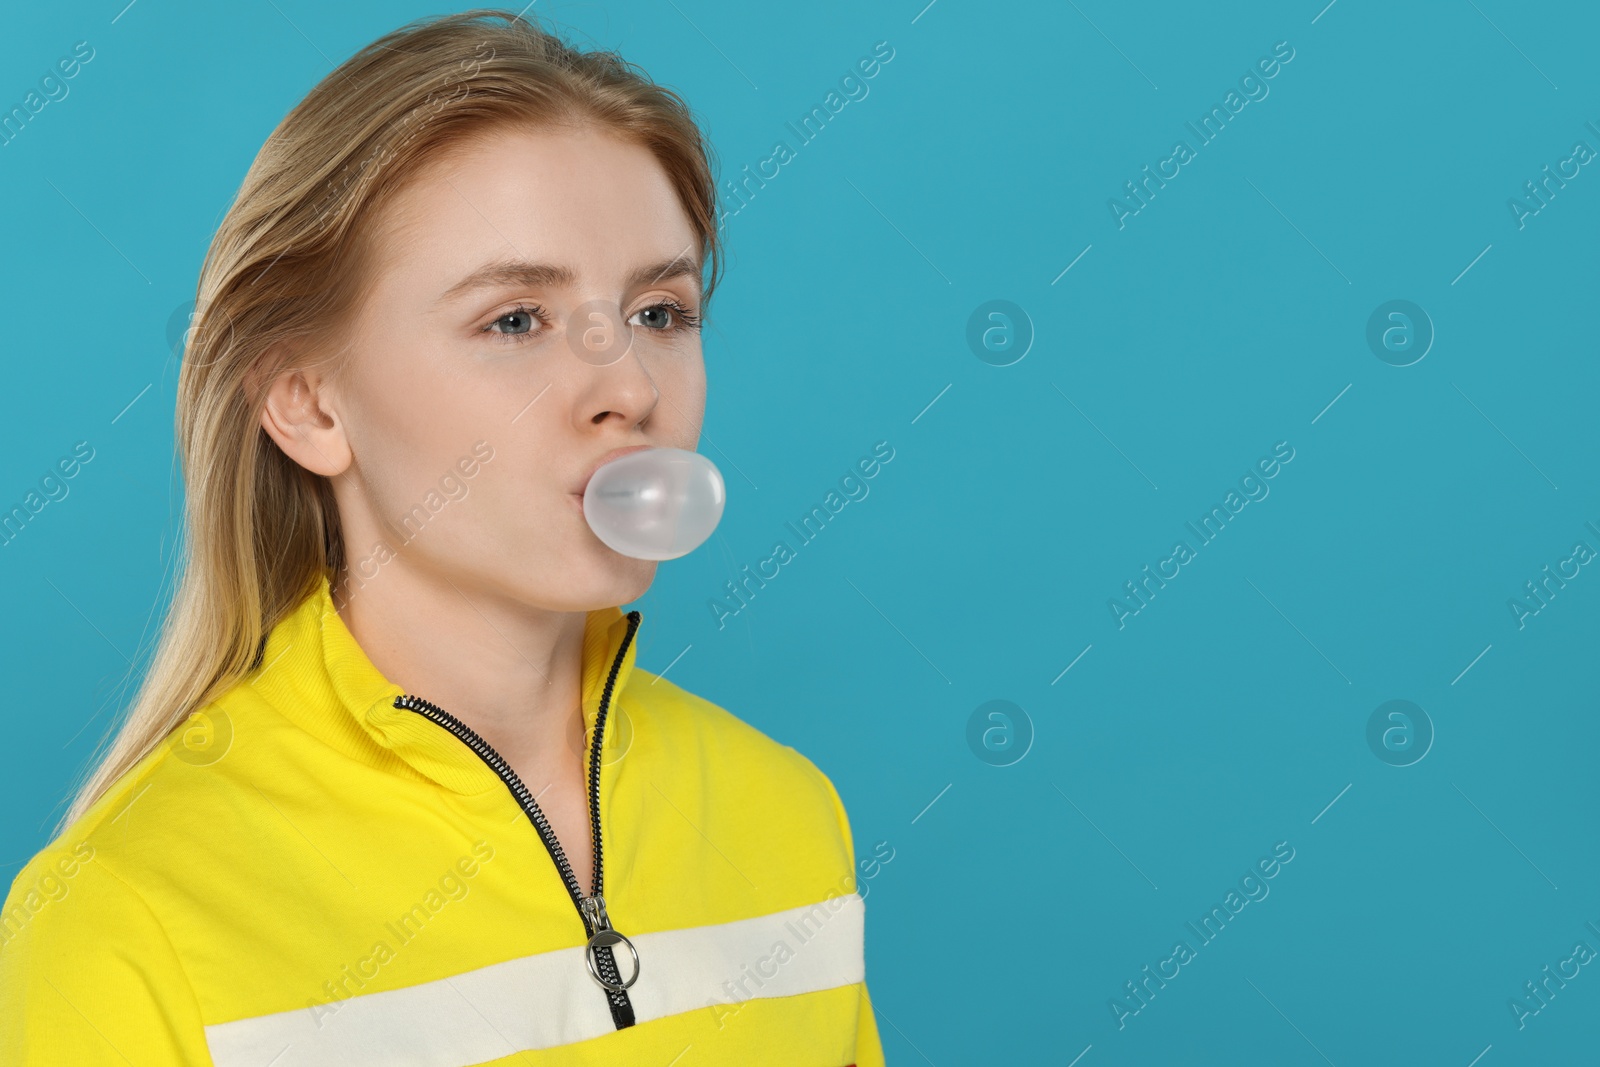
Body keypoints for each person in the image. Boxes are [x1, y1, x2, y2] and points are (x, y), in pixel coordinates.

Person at [0, 9, 885, 1064]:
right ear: (308, 404)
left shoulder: (783, 811)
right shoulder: (124, 915)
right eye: (514, 319)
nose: (628, 388)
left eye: (658, 310)